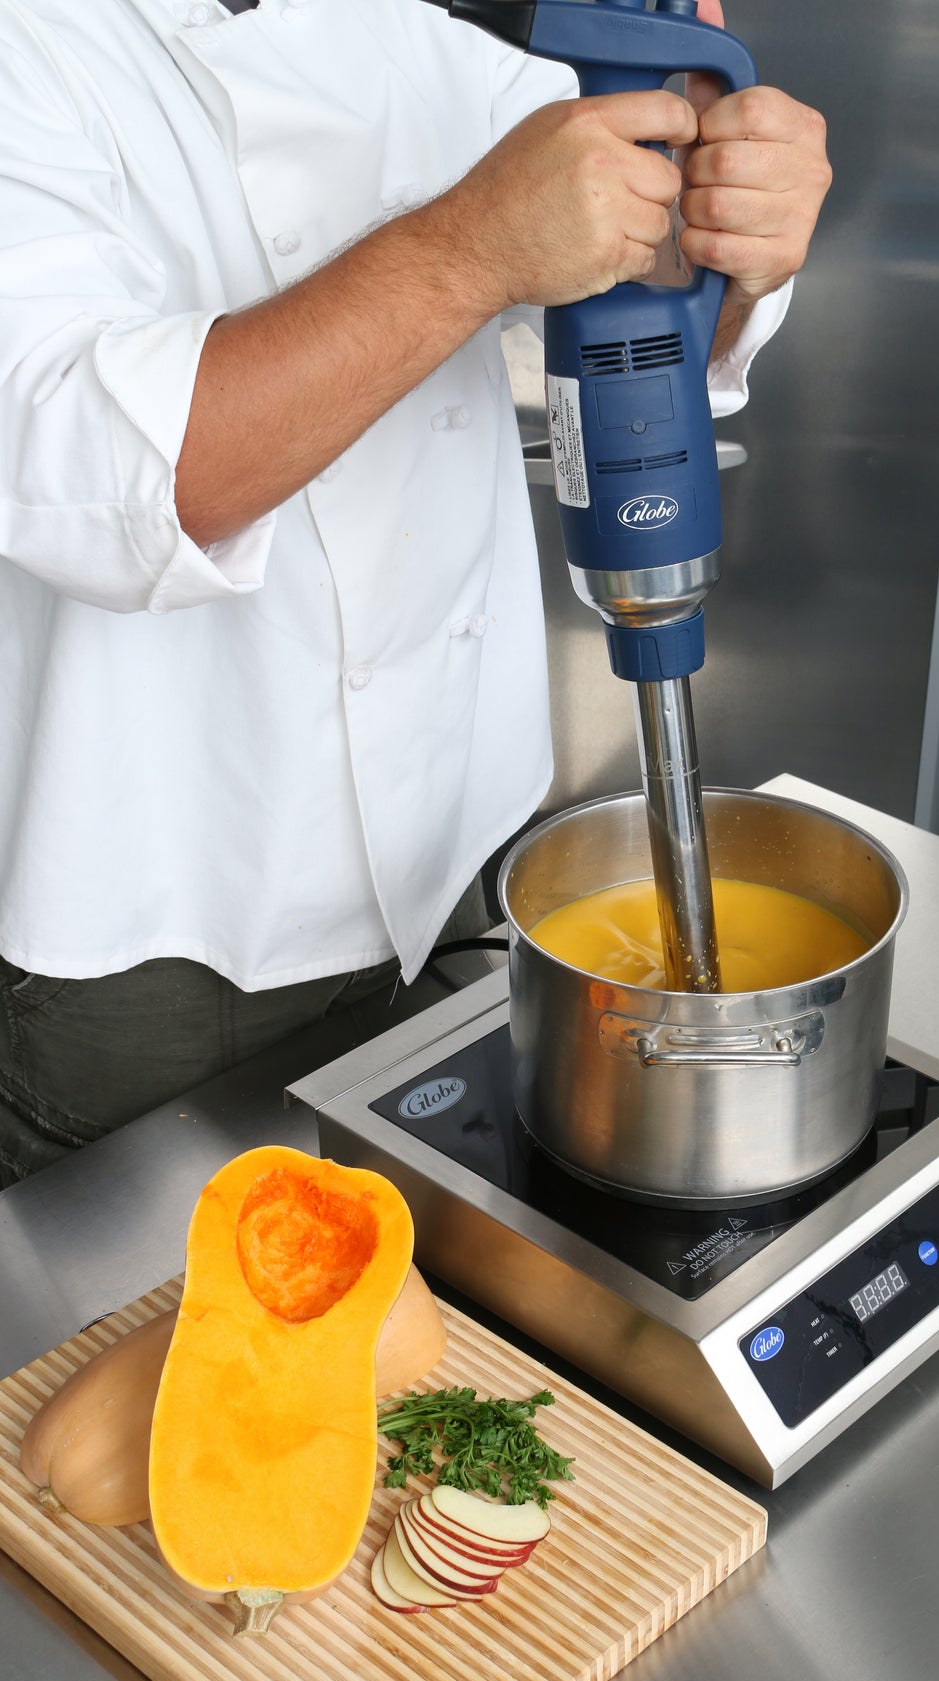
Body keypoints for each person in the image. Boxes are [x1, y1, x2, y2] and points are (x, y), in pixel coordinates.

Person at [0, 0, 832, 1187]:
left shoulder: (427, 36)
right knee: (158, 1326)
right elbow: (129, 478)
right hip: (172, 921)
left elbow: (616, 304)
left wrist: (732, 225)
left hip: (461, 858)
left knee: (432, 1294)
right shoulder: (33, 54)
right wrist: (466, 249)